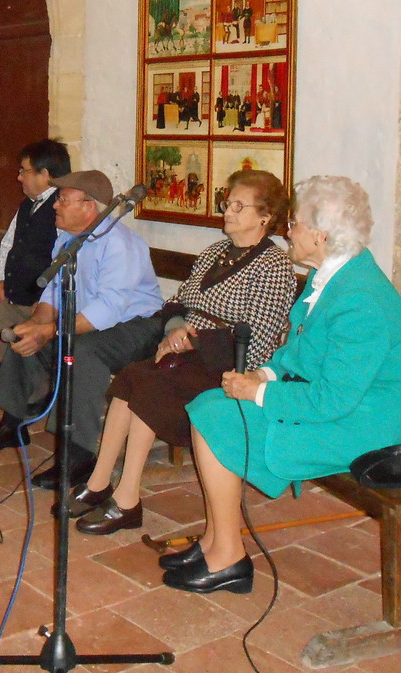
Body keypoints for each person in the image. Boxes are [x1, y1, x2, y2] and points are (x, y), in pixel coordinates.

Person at [161, 175, 401, 596]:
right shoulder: (328, 277)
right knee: (208, 406)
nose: (288, 230)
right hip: (334, 407)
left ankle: (230, 559)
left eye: (294, 223)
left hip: (361, 426)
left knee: (221, 419)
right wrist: (262, 374)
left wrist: (259, 393)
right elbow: (294, 355)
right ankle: (214, 541)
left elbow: (335, 398)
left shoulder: (361, 298)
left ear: (320, 234)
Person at [64, 170, 295, 534]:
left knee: (152, 387)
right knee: (131, 377)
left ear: (265, 216)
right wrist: (174, 329)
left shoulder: (274, 265)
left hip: (228, 366)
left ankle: (127, 500)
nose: (227, 212)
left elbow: (260, 339)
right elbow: (177, 301)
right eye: (226, 203)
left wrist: (195, 339)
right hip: (186, 353)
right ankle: (98, 482)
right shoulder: (214, 252)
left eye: (238, 206)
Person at [0, 169, 163, 490]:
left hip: (138, 327)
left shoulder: (120, 244)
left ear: (89, 207)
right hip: (93, 321)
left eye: (63, 200)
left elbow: (110, 308)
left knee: (80, 351)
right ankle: (13, 422)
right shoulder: (68, 240)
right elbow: (53, 292)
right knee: (26, 331)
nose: (55, 205)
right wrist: (38, 322)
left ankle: (79, 456)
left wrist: (52, 331)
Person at [0, 139, 70, 375]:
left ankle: (30, 378)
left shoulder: (63, 208)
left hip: (41, 306)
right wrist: (2, 280)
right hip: (13, 296)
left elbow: (66, 260)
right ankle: (20, 375)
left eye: (24, 171)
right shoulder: (27, 205)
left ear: (45, 174)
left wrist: (48, 304)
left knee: (29, 337)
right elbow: (9, 244)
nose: (19, 178)